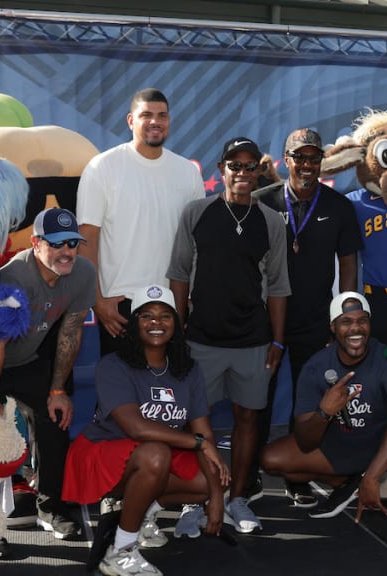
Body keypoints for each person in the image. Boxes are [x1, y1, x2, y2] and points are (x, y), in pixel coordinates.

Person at [167, 136, 290, 534]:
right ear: (221, 170)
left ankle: (237, 499)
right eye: (234, 166)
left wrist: (277, 340)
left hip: (253, 341)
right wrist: (179, 331)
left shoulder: (271, 221)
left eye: (249, 165)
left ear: (259, 171)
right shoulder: (197, 213)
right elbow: (180, 274)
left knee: (248, 418)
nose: (242, 172)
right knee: (194, 423)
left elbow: (278, 286)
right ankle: (194, 501)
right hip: (201, 339)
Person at [62, 285, 229, 576]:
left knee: (213, 476)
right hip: (102, 452)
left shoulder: (188, 370)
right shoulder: (113, 365)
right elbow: (135, 427)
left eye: (165, 316)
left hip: (155, 455)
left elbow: (205, 433)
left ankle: (140, 513)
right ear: (134, 323)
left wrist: (215, 497)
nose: (156, 323)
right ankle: (121, 550)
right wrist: (199, 442)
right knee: (156, 454)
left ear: (177, 325)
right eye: (146, 316)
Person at [260, 292, 387, 561]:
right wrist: (324, 413)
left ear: (370, 324)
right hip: (342, 444)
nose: (355, 328)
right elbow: (305, 441)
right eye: (346, 321)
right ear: (333, 328)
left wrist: (374, 476)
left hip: (384, 447)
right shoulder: (317, 366)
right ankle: (348, 482)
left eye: (362, 321)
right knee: (271, 459)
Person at [250, 128, 363, 506]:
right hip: (265, 321)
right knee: (257, 400)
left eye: (314, 158)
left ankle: (299, 475)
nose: (307, 165)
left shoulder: (339, 206)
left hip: (316, 321)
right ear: (286, 160)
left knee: (308, 402)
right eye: (300, 158)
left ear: (322, 163)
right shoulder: (260, 201)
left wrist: (343, 319)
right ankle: (248, 476)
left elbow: (348, 267)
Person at [0, 208, 96, 539]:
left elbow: (71, 332)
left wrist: (57, 390)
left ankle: (50, 507)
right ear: (35, 243)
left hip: (29, 359)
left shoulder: (83, 272)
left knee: (56, 419)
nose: (67, 252)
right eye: (57, 244)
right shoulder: (13, 278)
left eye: (73, 243)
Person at [77, 88, 204, 358]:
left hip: (172, 303)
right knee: (121, 395)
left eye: (162, 115)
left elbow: (197, 244)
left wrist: (190, 300)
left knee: (169, 395)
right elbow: (87, 237)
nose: (155, 121)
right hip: (121, 305)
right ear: (130, 121)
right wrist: (98, 301)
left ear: (169, 120)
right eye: (146, 115)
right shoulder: (103, 167)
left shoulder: (188, 173)